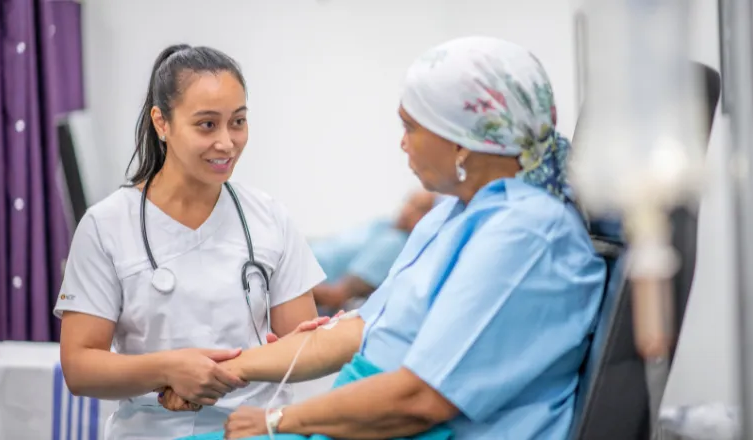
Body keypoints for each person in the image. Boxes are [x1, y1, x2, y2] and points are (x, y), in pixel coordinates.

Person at [161, 36, 607, 440]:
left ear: (461, 141)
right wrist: (221, 371)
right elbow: (362, 330)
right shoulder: (455, 210)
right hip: (374, 410)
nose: (403, 145)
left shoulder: (526, 235)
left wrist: (279, 421)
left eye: (411, 127)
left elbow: (420, 400)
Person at [53, 44, 330, 440]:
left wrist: (322, 338)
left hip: (255, 430)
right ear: (161, 122)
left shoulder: (269, 218)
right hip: (153, 430)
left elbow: (301, 350)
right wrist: (167, 371)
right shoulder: (106, 225)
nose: (227, 142)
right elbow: (80, 368)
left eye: (238, 122)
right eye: (206, 125)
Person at [310, 190, 436, 313]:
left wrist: (295, 282)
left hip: (304, 285)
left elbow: (335, 297)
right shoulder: (382, 225)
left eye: (421, 209)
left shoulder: (394, 244)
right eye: (410, 202)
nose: (409, 210)